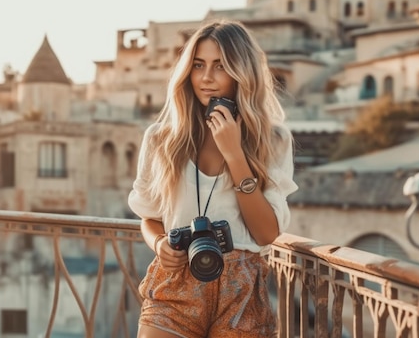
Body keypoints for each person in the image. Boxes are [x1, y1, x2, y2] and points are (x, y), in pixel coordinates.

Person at [127, 18, 298, 338]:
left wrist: (234, 154)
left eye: (220, 66)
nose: (206, 78)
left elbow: (265, 233)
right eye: (198, 65)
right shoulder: (162, 138)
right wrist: (160, 242)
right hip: (175, 279)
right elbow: (149, 217)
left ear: (241, 73)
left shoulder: (272, 140)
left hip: (241, 289)